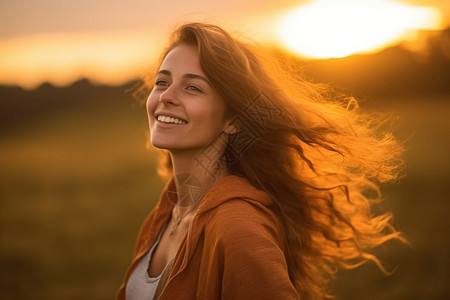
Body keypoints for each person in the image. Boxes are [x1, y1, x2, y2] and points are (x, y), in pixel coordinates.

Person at [117, 22, 404, 300]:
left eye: (193, 88)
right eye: (162, 82)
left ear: (233, 120)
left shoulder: (238, 227)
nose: (166, 96)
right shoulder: (168, 210)